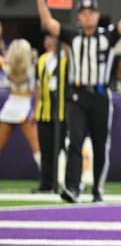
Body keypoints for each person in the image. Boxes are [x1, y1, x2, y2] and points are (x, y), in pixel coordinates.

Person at [35, 0, 121, 203]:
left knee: (100, 145)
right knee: (75, 141)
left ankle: (97, 189)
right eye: (83, 13)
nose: (88, 17)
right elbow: (50, 24)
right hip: (78, 95)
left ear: (98, 16)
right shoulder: (73, 35)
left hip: (100, 95)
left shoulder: (107, 36)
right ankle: (73, 187)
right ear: (79, 17)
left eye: (91, 13)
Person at [34, 34, 69, 193]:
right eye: (46, 38)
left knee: (60, 149)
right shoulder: (42, 60)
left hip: (62, 112)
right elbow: (38, 87)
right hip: (44, 112)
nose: (48, 41)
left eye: (52, 38)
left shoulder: (66, 60)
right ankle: (46, 183)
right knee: (45, 150)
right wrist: (35, 109)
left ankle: (64, 182)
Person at [0, 39, 41, 172]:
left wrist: (35, 111)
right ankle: (51, 179)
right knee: (37, 149)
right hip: (21, 107)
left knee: (36, 148)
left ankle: (50, 178)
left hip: (18, 108)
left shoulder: (9, 66)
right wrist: (35, 111)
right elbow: (37, 92)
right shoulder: (32, 68)